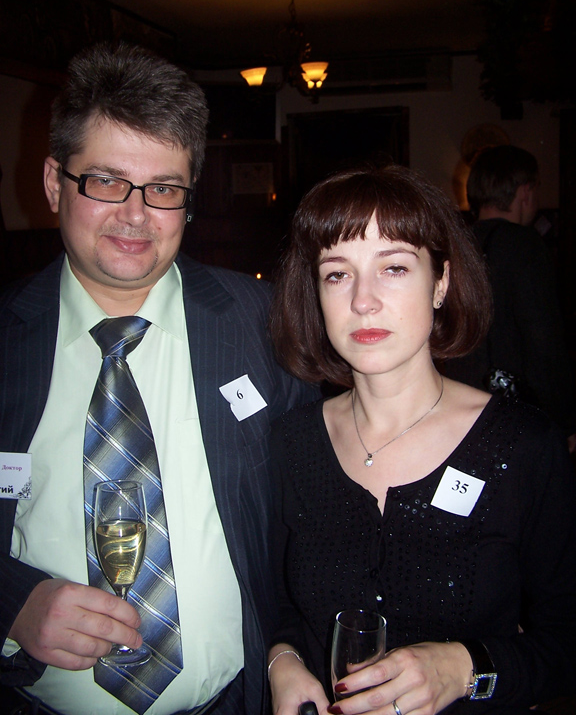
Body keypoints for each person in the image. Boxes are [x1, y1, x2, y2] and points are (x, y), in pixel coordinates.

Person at [0, 42, 316, 715]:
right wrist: (11, 602)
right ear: (55, 182)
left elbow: (312, 512)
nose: (136, 215)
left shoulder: (261, 323)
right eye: (106, 181)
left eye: (164, 189)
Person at [266, 164, 576, 715]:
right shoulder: (291, 444)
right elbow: (277, 600)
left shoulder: (524, 446)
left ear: (441, 282)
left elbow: (564, 643)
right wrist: (283, 660)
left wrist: (464, 668)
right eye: (337, 274)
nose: (363, 300)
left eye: (393, 268)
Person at [444, 145, 576, 442]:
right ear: (525, 191)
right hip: (514, 413)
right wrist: (565, 419)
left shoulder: (456, 245)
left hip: (459, 403)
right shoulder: (524, 244)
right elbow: (544, 340)